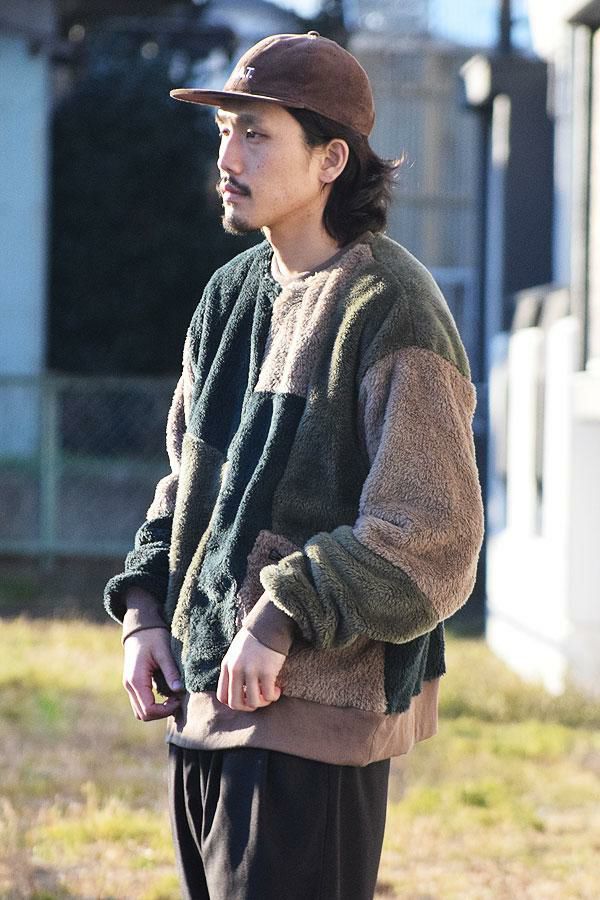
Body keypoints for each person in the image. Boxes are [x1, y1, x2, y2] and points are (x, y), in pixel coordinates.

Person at [104, 31, 484, 900]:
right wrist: (144, 612)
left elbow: (433, 534)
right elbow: (184, 481)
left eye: (256, 134)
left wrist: (280, 617)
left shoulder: (394, 307)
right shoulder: (231, 294)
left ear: (330, 160)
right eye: (224, 132)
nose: (228, 157)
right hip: (202, 709)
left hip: (314, 730)